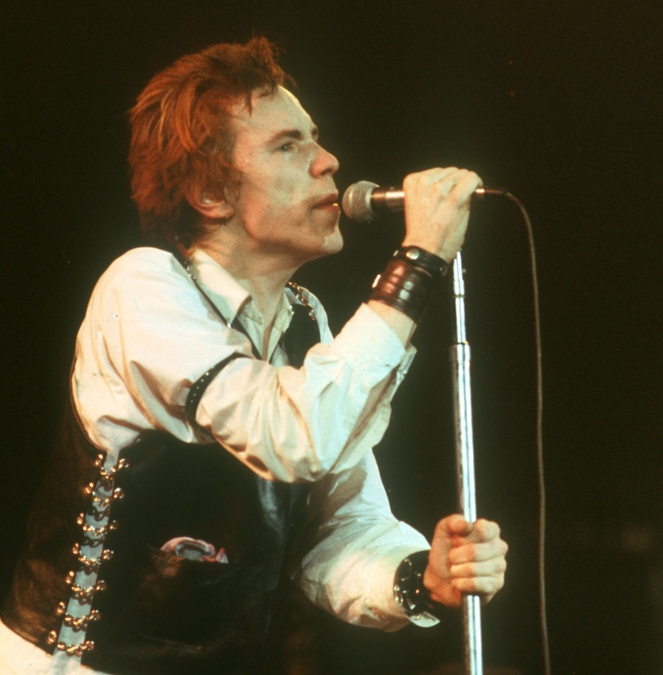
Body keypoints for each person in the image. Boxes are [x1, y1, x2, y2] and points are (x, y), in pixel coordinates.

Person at [0, 37, 507, 674]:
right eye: (288, 145)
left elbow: (339, 525)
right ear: (211, 194)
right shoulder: (142, 286)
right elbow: (290, 433)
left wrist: (420, 577)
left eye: (316, 138)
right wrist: (417, 262)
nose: (329, 162)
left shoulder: (307, 323)